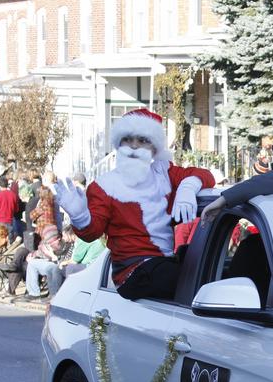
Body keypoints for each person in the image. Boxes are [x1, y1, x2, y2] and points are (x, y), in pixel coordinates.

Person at [53, 108, 216, 300]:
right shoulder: (105, 185)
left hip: (161, 263)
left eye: (143, 141)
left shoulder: (165, 174)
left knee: (205, 267)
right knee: (193, 281)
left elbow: (205, 175)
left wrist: (187, 188)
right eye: (128, 140)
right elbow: (92, 233)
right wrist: (80, 216)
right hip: (132, 272)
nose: (134, 147)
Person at [23, 225, 69, 302]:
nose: (50, 244)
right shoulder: (47, 244)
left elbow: (63, 262)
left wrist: (52, 255)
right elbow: (39, 252)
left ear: (58, 238)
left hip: (58, 265)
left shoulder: (65, 245)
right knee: (32, 263)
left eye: (51, 242)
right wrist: (31, 255)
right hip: (50, 262)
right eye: (48, 242)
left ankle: (53, 294)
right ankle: (34, 293)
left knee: (53, 268)